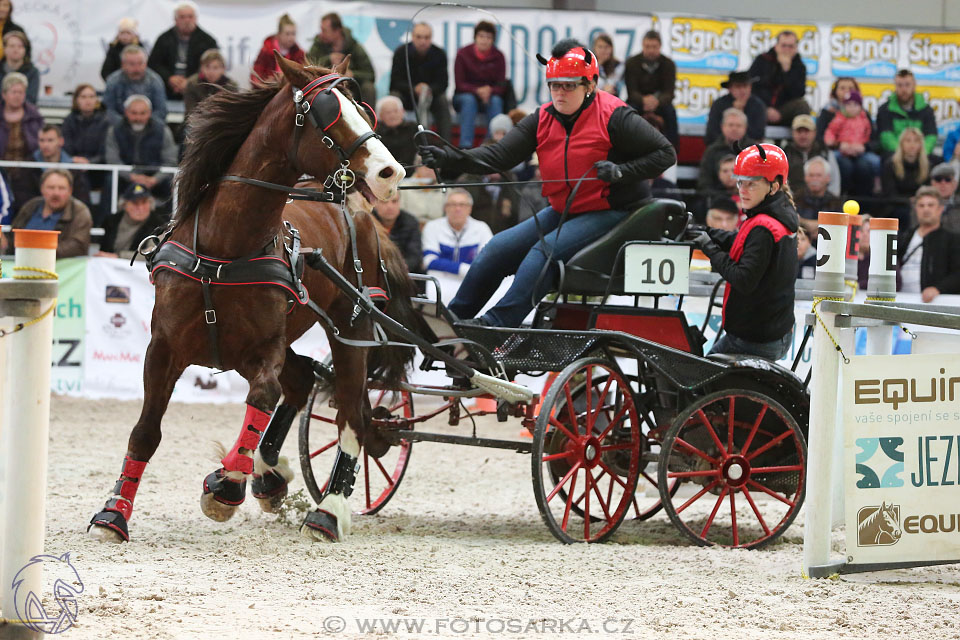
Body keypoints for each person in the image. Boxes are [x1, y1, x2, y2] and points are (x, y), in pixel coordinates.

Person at [419, 39, 676, 327]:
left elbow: (666, 154)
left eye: (568, 85)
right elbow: (498, 156)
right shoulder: (542, 117)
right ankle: (452, 321)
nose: (560, 92)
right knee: (496, 249)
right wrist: (449, 157)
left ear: (590, 85)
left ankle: (496, 325)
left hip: (616, 210)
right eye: (554, 85)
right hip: (566, 208)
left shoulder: (615, 115)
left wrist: (621, 171)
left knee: (544, 251)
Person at [688, 144, 799, 360]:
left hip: (755, 339)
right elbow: (740, 242)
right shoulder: (775, 215)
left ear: (773, 187)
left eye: (751, 184)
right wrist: (704, 232)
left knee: (696, 383)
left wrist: (709, 247)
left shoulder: (763, 227)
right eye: (740, 182)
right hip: (772, 332)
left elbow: (742, 279)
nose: (743, 190)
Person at [104, 95, 179, 202]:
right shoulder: (114, 131)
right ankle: (107, 218)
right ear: (126, 112)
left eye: (143, 113)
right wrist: (132, 177)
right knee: (110, 181)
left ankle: (172, 218)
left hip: (155, 177)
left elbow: (170, 161)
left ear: (149, 112)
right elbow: (113, 160)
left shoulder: (163, 131)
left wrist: (155, 179)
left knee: (172, 184)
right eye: (134, 113)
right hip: (126, 177)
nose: (138, 118)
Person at [7, 169, 92, 259]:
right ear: (42, 189)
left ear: (70, 191)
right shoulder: (31, 206)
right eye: (51, 187)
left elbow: (78, 247)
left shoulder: (80, 212)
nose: (56, 193)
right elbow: (12, 237)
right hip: (21, 264)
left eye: (61, 188)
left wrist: (39, 253)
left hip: (62, 268)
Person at [388, 22, 450, 141]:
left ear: (431, 38)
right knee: (394, 98)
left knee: (442, 101)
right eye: (419, 37)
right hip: (407, 96)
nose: (423, 41)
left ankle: (446, 145)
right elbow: (395, 82)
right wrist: (413, 88)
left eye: (426, 37)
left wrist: (428, 89)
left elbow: (443, 83)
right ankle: (393, 140)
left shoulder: (439, 54)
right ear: (412, 36)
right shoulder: (401, 52)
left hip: (431, 97)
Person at [897, 186, 960, 302]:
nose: (926, 209)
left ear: (941, 209)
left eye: (931, 205)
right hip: (900, 299)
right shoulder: (905, 237)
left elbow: (957, 274)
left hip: (932, 304)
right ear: (916, 209)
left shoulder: (952, 239)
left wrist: (938, 289)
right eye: (921, 205)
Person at [147, 1, 218, 101]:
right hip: (167, 89)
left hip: (198, 91)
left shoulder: (208, 41)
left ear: (196, 18)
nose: (187, 20)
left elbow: (213, 65)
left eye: (190, 16)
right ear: (175, 20)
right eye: (182, 17)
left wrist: (189, 82)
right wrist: (169, 78)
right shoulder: (164, 39)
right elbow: (154, 64)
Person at [452, 21, 506, 149]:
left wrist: (490, 91)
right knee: (469, 100)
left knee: (496, 101)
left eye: (488, 37)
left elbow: (502, 86)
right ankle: (465, 147)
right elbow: (459, 84)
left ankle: (492, 145)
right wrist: (477, 90)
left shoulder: (499, 57)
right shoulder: (463, 54)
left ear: (493, 40)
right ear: (475, 37)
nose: (484, 40)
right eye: (481, 36)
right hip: (464, 98)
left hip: (489, 98)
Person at [421, 188, 492, 278]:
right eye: (453, 205)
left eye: (462, 205)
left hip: (472, 282)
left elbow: (487, 261)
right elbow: (429, 261)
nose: (457, 209)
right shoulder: (432, 226)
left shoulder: (482, 228)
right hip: (440, 281)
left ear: (470, 208)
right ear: (445, 208)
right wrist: (462, 269)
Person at [623, 30, 677, 145]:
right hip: (638, 101)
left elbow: (669, 92)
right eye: (648, 47)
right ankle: (624, 145)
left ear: (660, 46)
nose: (651, 50)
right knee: (626, 111)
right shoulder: (632, 63)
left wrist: (657, 101)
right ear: (643, 46)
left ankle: (673, 149)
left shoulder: (669, 64)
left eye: (654, 47)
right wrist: (644, 100)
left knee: (671, 112)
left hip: (660, 103)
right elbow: (631, 91)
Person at [747, 30, 811, 127]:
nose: (786, 49)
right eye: (783, 45)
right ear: (776, 46)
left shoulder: (799, 66)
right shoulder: (762, 60)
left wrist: (787, 71)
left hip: (783, 110)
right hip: (761, 107)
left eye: (790, 46)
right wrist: (766, 108)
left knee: (803, 106)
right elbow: (751, 87)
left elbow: (798, 93)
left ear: (796, 48)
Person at [308, 13, 375, 103]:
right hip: (325, 87)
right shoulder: (318, 45)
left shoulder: (354, 47)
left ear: (337, 31)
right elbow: (309, 68)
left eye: (325, 30)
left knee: (368, 88)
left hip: (350, 88)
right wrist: (328, 60)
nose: (321, 34)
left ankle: (367, 115)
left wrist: (352, 74)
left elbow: (370, 75)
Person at [824, 90, 880, 197]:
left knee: (876, 161)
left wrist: (862, 146)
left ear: (860, 106)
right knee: (831, 158)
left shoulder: (864, 119)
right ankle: (835, 189)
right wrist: (835, 143)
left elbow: (869, 135)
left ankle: (877, 184)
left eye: (855, 104)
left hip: (860, 151)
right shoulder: (839, 118)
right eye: (848, 104)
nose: (852, 108)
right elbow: (830, 132)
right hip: (841, 150)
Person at [0, 72, 42, 212]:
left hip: (27, 172)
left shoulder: (35, 115)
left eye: (21, 92)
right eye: (14, 92)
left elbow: (40, 144)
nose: (18, 96)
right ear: (4, 94)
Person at [875, 69, 938, 158]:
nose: (903, 89)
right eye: (900, 85)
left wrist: (919, 152)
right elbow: (886, 138)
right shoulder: (885, 109)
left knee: (938, 162)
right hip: (895, 154)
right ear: (895, 86)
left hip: (920, 154)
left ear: (914, 85)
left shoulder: (926, 110)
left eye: (907, 85)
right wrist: (903, 153)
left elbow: (931, 137)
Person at [97, 183, 170, 258]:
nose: (140, 208)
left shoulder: (158, 225)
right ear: (125, 205)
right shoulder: (112, 221)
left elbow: (153, 252)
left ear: (150, 204)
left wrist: (118, 256)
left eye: (144, 202)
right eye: (135, 203)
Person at [882, 127, 933, 227]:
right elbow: (889, 194)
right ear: (901, 144)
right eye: (908, 140)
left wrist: (918, 201)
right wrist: (909, 200)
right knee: (903, 213)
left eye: (916, 141)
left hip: (920, 205)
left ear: (920, 145)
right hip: (895, 207)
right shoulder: (890, 165)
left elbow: (928, 190)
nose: (912, 144)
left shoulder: (927, 166)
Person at [103, 45, 168, 123]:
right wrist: (124, 126)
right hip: (119, 127)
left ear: (146, 63)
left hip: (150, 127)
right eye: (132, 64)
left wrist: (145, 124)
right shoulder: (113, 81)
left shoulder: (155, 81)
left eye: (140, 63)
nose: (137, 68)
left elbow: (161, 111)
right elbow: (108, 110)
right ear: (123, 65)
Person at [31, 124, 90, 206]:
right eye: (42, 140)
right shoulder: (29, 166)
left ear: (61, 141)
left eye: (50, 140)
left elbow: (82, 199)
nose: (45, 145)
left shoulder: (74, 169)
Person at [698, 108, 754, 193]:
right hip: (717, 198)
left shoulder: (753, 151)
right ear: (722, 127)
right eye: (731, 125)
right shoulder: (712, 151)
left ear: (745, 128)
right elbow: (704, 182)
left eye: (738, 125)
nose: (734, 128)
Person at [705, 71, 766, 146]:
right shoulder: (719, 105)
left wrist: (740, 113)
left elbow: (759, 134)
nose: (742, 90)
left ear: (750, 87)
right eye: (738, 86)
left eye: (745, 86)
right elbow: (712, 133)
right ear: (730, 89)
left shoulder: (758, 105)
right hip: (722, 147)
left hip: (749, 147)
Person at [783, 114, 837, 195]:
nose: (803, 135)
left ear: (814, 132)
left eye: (807, 131)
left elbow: (834, 181)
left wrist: (831, 202)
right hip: (793, 203)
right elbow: (783, 183)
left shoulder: (825, 152)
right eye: (799, 131)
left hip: (824, 203)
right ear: (792, 132)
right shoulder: (785, 154)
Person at [372, 192, 421, 273]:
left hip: (404, 273)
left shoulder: (411, 222)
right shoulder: (368, 221)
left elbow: (414, 256)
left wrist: (397, 270)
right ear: (375, 203)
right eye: (384, 202)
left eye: (394, 201)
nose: (390, 206)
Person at [251, 13, 306, 85]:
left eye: (293, 34)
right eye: (287, 34)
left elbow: (304, 77)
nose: (291, 37)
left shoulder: (299, 54)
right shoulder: (266, 51)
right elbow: (255, 76)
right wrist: (264, 84)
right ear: (279, 34)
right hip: (268, 92)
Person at [794, 156, 841, 237]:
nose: (815, 179)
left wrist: (804, 222)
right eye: (811, 175)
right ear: (805, 177)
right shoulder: (795, 199)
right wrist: (822, 225)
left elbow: (838, 226)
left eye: (819, 175)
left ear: (828, 178)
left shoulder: (836, 202)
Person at [183, 49, 237, 119]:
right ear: (201, 68)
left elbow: (233, 113)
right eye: (207, 67)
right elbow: (190, 111)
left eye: (215, 68)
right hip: (195, 124)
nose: (211, 72)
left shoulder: (231, 87)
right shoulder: (192, 84)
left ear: (223, 69)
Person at [374, 95, 418, 167]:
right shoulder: (375, 134)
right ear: (380, 116)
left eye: (395, 111)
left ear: (403, 111)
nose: (393, 115)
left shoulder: (414, 129)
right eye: (388, 112)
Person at [400, 156, 445, 225]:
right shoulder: (402, 188)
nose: (430, 170)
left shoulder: (446, 190)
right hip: (410, 231)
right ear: (417, 167)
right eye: (426, 166)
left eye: (434, 167)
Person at [816, 76, 862, 142]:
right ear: (835, 91)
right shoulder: (827, 111)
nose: (847, 91)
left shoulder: (862, 113)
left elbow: (872, 139)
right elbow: (819, 136)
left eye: (851, 88)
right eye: (842, 88)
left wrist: (863, 146)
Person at [0, 31, 36, 104]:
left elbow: (31, 100)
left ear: (25, 50)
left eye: (20, 46)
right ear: (4, 48)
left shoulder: (33, 72)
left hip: (25, 114)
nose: (16, 50)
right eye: (12, 46)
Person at [929, 163, 960, 232]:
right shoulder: (921, 204)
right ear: (932, 183)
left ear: (955, 184)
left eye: (947, 179)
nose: (943, 183)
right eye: (938, 179)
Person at [592, 33, 623, 97]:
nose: (603, 50)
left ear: (611, 49)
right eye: (600, 47)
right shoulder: (589, 65)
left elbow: (615, 86)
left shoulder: (618, 66)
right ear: (594, 48)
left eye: (606, 47)